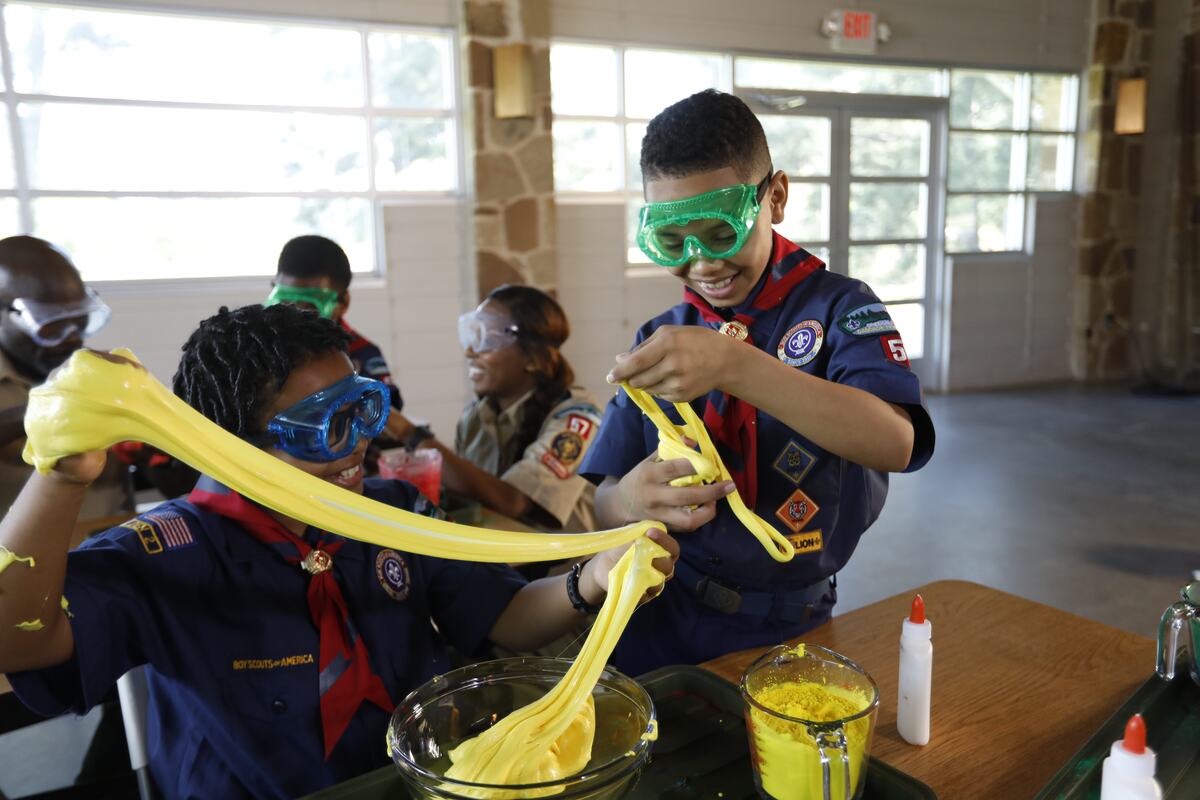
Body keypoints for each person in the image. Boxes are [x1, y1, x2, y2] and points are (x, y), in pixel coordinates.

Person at [0, 303, 677, 799]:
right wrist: (60, 476)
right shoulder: (167, 552)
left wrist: (591, 581)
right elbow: (19, 643)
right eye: (323, 430)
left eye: (363, 411)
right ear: (229, 445)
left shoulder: (391, 514)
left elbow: (503, 618)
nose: (358, 444)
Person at [581, 90, 936, 674]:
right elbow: (602, 500)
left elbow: (895, 443)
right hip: (661, 613)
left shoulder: (839, 309)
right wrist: (630, 499)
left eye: (722, 233)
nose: (702, 264)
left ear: (774, 197)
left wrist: (734, 365)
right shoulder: (664, 337)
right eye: (673, 242)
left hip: (792, 622)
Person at [391, 285, 603, 532]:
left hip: (567, 568)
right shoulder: (476, 418)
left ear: (533, 359)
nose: (470, 351)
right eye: (472, 335)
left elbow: (513, 502)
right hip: (501, 563)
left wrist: (409, 432)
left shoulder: (577, 417)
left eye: (488, 338)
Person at [0, 235, 129, 517]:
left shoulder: (97, 375)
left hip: (115, 546)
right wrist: (50, 408)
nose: (72, 337)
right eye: (51, 323)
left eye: (79, 318)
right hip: (20, 558)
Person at [265, 234, 406, 430]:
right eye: (285, 303)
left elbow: (386, 421)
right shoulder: (260, 351)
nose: (295, 317)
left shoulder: (363, 355)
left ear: (343, 303)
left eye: (308, 308)